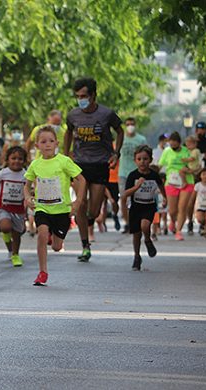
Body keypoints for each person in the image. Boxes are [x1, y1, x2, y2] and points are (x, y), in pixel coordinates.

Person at [64, 77, 124, 262]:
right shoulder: (73, 115)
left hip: (100, 164)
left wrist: (116, 153)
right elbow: (68, 132)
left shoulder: (106, 114)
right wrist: (66, 155)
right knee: (81, 204)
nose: (80, 99)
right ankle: (85, 246)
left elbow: (119, 131)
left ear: (93, 95)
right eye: (78, 96)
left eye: (84, 96)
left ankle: (89, 222)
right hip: (79, 164)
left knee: (94, 210)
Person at [24, 126, 86, 286]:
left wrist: (77, 201)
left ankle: (54, 235)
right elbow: (27, 184)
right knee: (42, 234)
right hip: (42, 208)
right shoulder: (35, 164)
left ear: (57, 143)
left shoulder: (64, 161)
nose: (47, 144)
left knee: (57, 247)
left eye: (51, 141)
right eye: (43, 142)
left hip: (62, 210)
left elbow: (81, 180)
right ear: (37, 146)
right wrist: (27, 197)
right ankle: (42, 272)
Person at [122, 145, 166, 271]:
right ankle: (137, 256)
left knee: (145, 226)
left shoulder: (153, 175)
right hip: (136, 207)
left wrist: (165, 197)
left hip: (149, 206)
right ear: (135, 161)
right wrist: (137, 186)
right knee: (136, 235)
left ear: (151, 160)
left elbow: (161, 185)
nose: (142, 162)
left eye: (145, 159)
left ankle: (147, 239)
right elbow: (125, 194)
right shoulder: (132, 176)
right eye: (139, 159)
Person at [0, 146, 27, 267]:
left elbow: (30, 187)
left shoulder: (25, 175)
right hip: (4, 207)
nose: (16, 161)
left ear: (24, 161)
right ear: (7, 160)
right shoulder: (4, 173)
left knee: (17, 234)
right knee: (5, 227)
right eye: (13, 158)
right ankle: (9, 246)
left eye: (20, 159)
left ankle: (15, 254)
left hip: (18, 209)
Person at [158, 131, 194, 241]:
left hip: (187, 182)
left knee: (182, 208)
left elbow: (194, 166)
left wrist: (188, 169)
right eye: (171, 142)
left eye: (175, 142)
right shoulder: (166, 152)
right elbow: (160, 165)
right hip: (171, 183)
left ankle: (179, 231)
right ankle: (172, 221)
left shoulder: (186, 151)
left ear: (179, 142)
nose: (173, 144)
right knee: (172, 210)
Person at [185, 121, 206, 234]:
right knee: (191, 200)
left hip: (204, 175)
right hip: (192, 174)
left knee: (205, 199)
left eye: (204, 129)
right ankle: (190, 221)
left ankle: (203, 222)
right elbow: (183, 157)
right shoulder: (189, 143)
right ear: (196, 130)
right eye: (200, 129)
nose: (201, 131)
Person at [118, 117, 147, 234]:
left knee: (138, 199)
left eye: (132, 124)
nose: (130, 126)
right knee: (124, 198)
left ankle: (137, 221)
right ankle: (127, 222)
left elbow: (146, 155)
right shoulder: (121, 139)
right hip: (123, 173)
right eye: (128, 124)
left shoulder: (141, 139)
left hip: (137, 172)